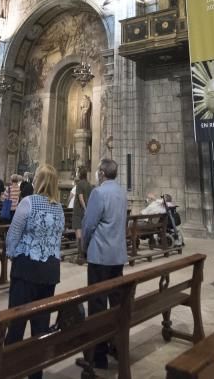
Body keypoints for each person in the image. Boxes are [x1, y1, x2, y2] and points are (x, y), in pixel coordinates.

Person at [4, 163, 65, 378]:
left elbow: (13, 234)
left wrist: (13, 255)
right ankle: (35, 373)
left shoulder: (28, 202)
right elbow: (58, 237)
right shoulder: (59, 207)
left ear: (37, 181)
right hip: (49, 271)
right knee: (41, 325)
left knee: (17, 322)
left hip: (26, 268)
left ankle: (10, 368)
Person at [81, 158, 128, 369]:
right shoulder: (121, 192)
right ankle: (117, 346)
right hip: (117, 256)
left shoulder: (98, 193)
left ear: (101, 173)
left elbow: (89, 224)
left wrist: (84, 246)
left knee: (97, 305)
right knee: (116, 303)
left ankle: (98, 356)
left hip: (100, 256)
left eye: (98, 171)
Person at [72, 166, 93, 265]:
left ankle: (80, 256)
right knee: (84, 234)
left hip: (79, 211)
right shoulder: (89, 185)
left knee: (78, 234)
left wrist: (85, 209)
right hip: (87, 211)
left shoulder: (79, 184)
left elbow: (80, 198)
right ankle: (84, 254)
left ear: (80, 173)